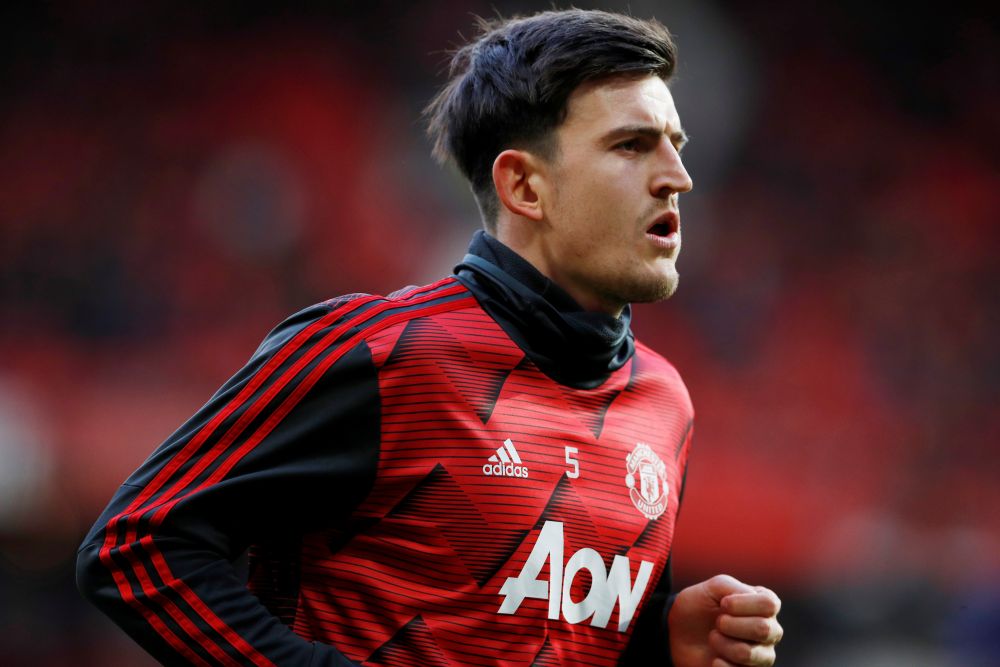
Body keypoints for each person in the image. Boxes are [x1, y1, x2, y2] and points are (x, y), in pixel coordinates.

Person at [77, 9, 782, 666]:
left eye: (676, 146)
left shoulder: (664, 403)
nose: (679, 178)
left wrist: (657, 641)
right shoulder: (381, 353)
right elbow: (137, 546)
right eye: (632, 145)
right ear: (525, 188)